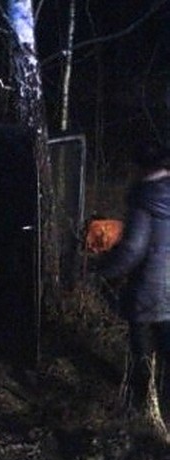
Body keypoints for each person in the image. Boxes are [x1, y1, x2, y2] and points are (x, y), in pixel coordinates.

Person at [97, 141, 170, 430]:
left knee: (141, 350)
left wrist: (104, 271)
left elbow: (133, 250)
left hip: (148, 290)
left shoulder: (143, 199)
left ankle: (140, 408)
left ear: (140, 168)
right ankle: (165, 408)